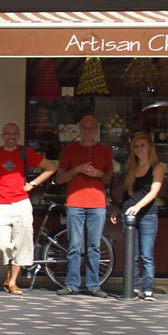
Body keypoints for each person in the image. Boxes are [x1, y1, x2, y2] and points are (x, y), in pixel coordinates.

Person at [0, 123, 56, 295]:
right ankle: (10, 274)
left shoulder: (25, 152)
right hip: (1, 205)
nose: (11, 136)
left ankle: (13, 281)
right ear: (2, 136)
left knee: (21, 244)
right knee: (3, 244)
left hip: (22, 204)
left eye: (14, 133)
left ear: (19, 135)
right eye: (8, 133)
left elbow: (50, 167)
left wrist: (32, 184)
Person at [55, 114, 113, 297]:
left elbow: (110, 179)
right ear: (79, 129)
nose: (88, 131)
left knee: (94, 246)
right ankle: (72, 284)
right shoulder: (69, 150)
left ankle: (93, 285)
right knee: (74, 245)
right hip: (75, 202)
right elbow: (59, 178)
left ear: (96, 129)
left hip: (97, 203)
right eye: (84, 128)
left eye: (91, 128)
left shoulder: (104, 150)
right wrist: (77, 170)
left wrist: (98, 174)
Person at [111, 132, 163, 301]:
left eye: (142, 145)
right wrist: (116, 208)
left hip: (147, 215)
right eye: (136, 146)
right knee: (131, 255)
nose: (139, 149)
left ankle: (148, 289)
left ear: (149, 148)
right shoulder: (131, 168)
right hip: (129, 215)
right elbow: (124, 193)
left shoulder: (157, 167)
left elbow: (154, 192)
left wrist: (138, 206)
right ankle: (131, 287)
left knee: (146, 254)